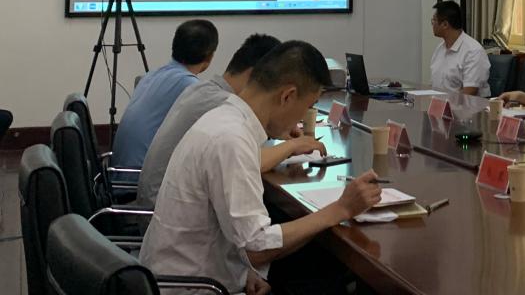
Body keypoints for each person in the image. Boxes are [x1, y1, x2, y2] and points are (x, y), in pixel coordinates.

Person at [139, 41, 382, 295]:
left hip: (185, 274)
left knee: (313, 270)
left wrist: (244, 271)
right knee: (324, 276)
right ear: (287, 96)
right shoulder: (231, 139)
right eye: (308, 106)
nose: (302, 117)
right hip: (191, 287)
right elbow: (257, 248)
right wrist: (341, 209)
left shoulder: (223, 118)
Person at [136, 33, 327, 208]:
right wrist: (293, 145)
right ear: (256, 74)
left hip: (161, 200)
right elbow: (248, 161)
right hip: (161, 207)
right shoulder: (222, 104)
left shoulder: (205, 89)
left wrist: (275, 128)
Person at [112, 20, 220, 168]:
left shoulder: (150, 76)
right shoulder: (191, 87)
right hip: (140, 177)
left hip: (119, 172)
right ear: (209, 57)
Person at [428, 0, 490, 97]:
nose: (432, 24)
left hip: (467, 106)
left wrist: (445, 103)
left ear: (445, 25)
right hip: (442, 104)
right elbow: (434, 85)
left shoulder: (473, 51)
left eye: (434, 20)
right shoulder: (440, 49)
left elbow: (469, 92)